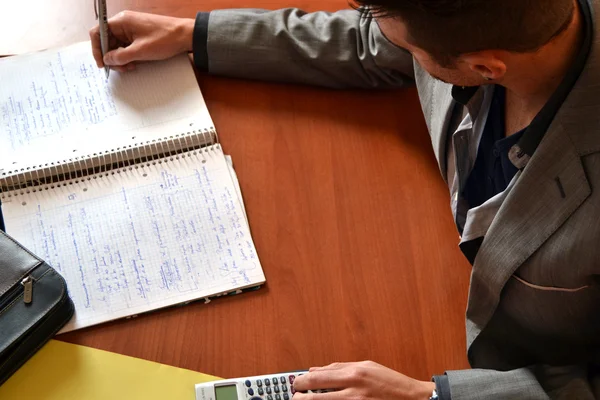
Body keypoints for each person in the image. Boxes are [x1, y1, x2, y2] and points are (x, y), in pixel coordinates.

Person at [90, 0, 600, 398]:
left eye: (415, 53)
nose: (395, 47)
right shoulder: (483, 25)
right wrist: (193, 35)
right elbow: (372, 41)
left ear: (485, 68)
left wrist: (432, 397)